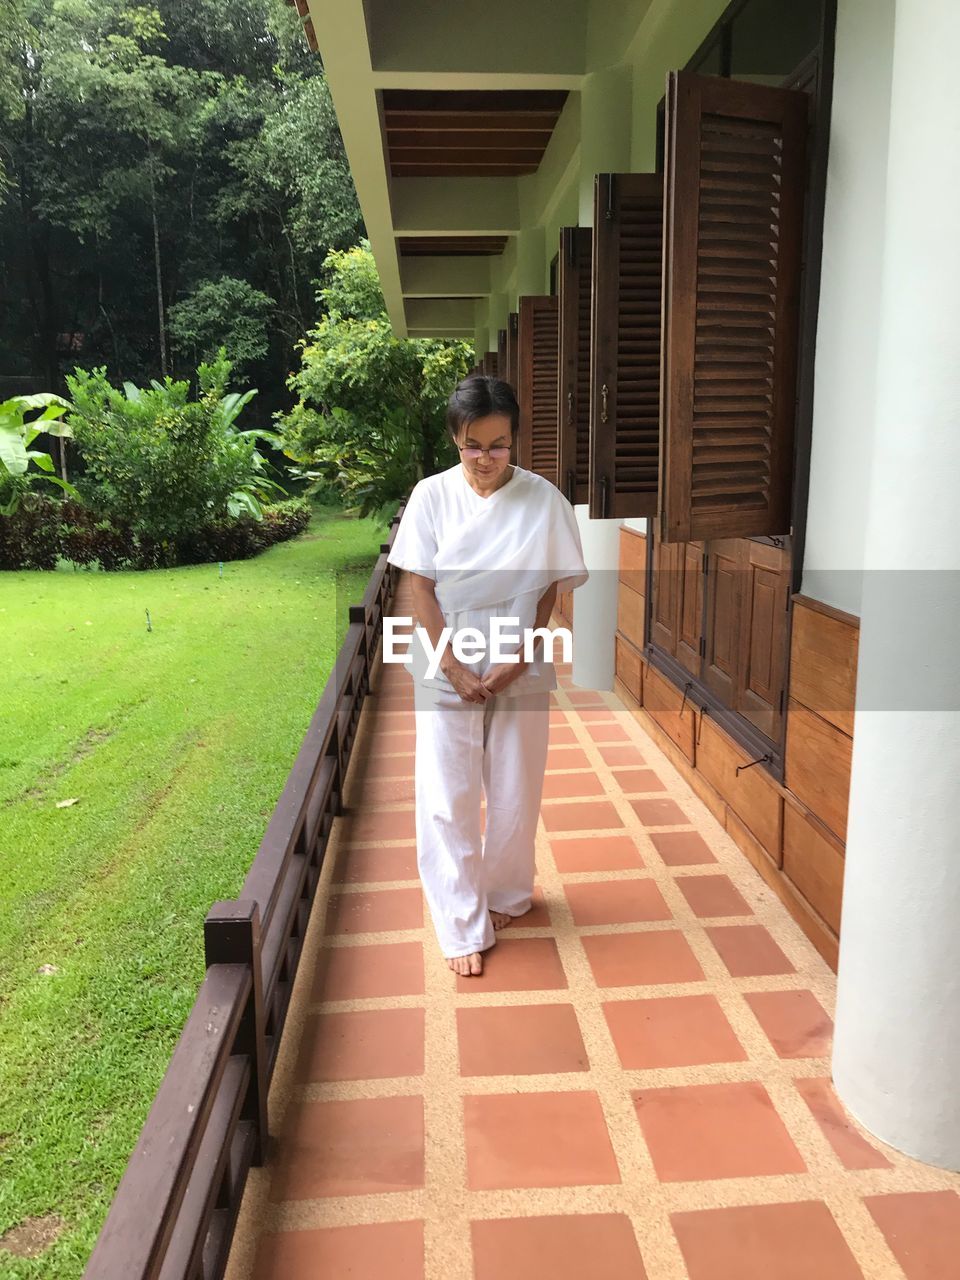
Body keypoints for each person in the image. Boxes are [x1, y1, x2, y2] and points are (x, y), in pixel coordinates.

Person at [385, 374, 589, 977]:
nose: (486, 459)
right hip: (446, 662)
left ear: (514, 441)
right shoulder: (431, 496)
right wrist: (449, 664)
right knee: (447, 795)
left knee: (514, 787)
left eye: (498, 445)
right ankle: (458, 918)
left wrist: (522, 654)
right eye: (474, 445)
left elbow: (552, 583)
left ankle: (503, 895)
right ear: (455, 438)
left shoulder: (543, 499)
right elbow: (419, 586)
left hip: (517, 662)